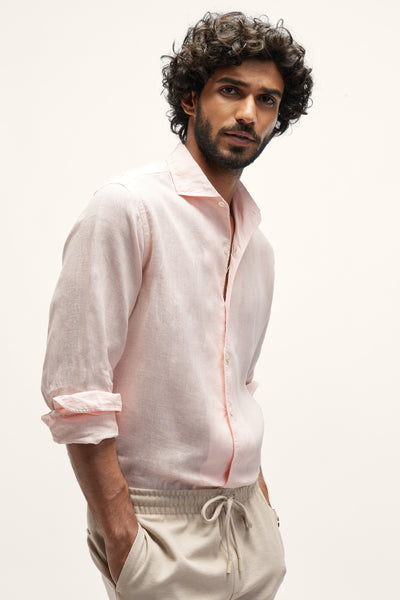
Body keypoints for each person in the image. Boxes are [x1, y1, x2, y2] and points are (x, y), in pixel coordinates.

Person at [41, 11, 312, 600]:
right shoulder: (127, 209)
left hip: (248, 524)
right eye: (231, 91)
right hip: (158, 529)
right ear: (191, 98)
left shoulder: (257, 246)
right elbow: (79, 389)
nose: (249, 113)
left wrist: (262, 511)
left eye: (267, 100)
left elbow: (234, 388)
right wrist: (123, 536)